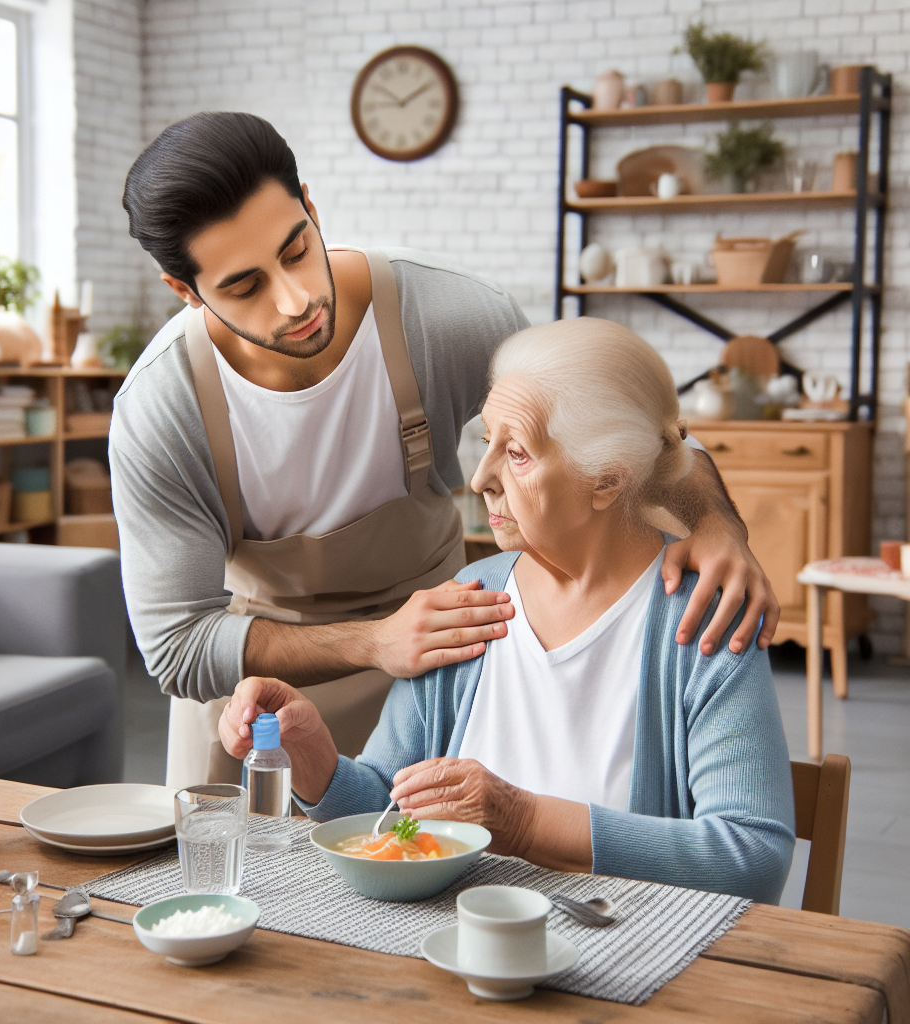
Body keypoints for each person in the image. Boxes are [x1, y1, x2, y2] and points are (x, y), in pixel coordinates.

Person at [113, 111, 780, 792]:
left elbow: (617, 430)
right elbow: (178, 647)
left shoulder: (445, 318)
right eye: (245, 286)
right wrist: (375, 641)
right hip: (261, 708)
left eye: (295, 250)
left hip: (442, 675)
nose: (295, 300)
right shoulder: (163, 409)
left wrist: (715, 521)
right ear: (186, 291)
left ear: (311, 207)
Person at [219, 319, 796, 903]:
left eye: (516, 453)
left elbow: (750, 857)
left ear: (606, 479)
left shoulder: (702, 618)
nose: (480, 478)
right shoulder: (473, 596)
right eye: (487, 440)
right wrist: (311, 751)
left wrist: (520, 821)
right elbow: (389, 809)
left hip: (632, 966)